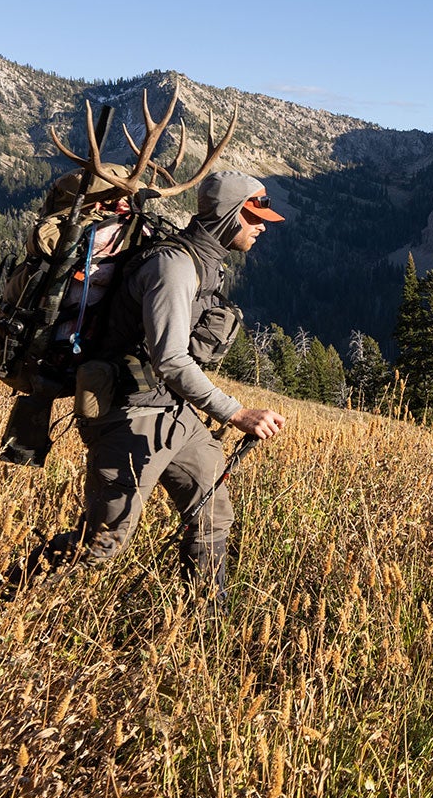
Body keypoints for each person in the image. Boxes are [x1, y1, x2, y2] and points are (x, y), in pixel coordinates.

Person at [65, 169, 289, 591]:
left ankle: (206, 625)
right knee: (103, 542)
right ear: (226, 216)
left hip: (174, 412)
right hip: (128, 415)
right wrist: (237, 413)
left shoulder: (206, 265)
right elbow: (170, 360)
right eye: (252, 216)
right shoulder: (174, 268)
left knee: (212, 514)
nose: (261, 226)